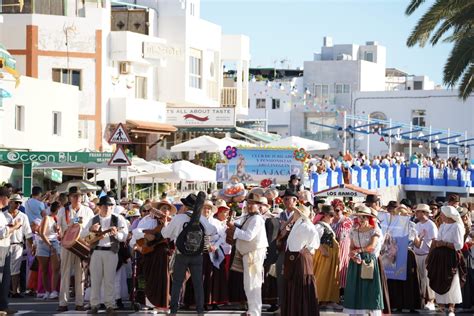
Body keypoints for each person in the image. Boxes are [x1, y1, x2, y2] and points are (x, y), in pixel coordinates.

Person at [161, 192, 217, 316]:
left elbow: (165, 234)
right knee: (198, 284)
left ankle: (174, 311)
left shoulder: (178, 218)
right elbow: (213, 231)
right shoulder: (201, 219)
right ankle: (200, 311)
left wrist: (165, 225)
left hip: (181, 254)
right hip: (197, 254)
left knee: (177, 283)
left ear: (185, 206)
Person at [81, 196, 128, 314]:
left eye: (110, 206)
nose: (108, 208)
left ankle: (110, 305)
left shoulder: (118, 219)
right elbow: (83, 236)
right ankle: (94, 305)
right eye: (105, 205)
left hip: (111, 251)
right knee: (95, 280)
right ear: (99, 207)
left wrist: (116, 234)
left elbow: (124, 236)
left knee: (110, 280)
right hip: (96, 251)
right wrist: (91, 229)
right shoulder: (93, 219)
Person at [227, 195, 268, 316]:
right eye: (248, 203)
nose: (249, 206)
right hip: (250, 253)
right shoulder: (251, 218)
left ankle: (254, 312)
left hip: (253, 254)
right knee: (249, 283)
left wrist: (234, 228)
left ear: (259, 205)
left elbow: (248, 236)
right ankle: (252, 310)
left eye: (253, 203)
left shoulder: (256, 219)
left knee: (253, 283)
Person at [56, 187, 95, 312]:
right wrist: (56, 228)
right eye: (74, 196)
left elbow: (92, 227)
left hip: (81, 244)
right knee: (65, 273)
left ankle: (79, 302)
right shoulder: (63, 210)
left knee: (80, 274)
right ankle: (63, 303)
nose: (77, 198)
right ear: (69, 197)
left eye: (79, 196)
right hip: (67, 244)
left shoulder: (88, 210)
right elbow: (57, 226)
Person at [343, 204, 384, 316]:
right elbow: (351, 246)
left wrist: (358, 251)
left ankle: (370, 311)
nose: (361, 219)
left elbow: (371, 246)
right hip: (356, 262)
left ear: (369, 218)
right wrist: (352, 254)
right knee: (355, 287)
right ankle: (357, 312)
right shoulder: (354, 230)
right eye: (359, 217)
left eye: (364, 217)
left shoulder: (374, 230)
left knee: (369, 287)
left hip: (368, 261)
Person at [281, 204, 320, 316]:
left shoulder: (305, 225)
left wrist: (308, 248)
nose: (293, 214)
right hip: (294, 257)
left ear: (300, 214)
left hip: (299, 258)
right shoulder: (299, 225)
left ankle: (302, 311)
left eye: (296, 212)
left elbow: (315, 239)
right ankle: (296, 311)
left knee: (300, 283)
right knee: (294, 283)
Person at [427, 206, 465, 316]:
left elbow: (459, 245)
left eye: (442, 214)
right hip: (439, 257)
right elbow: (438, 239)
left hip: (451, 257)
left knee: (451, 280)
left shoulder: (457, 226)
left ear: (448, 215)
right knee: (439, 279)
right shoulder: (443, 226)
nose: (441, 216)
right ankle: (442, 308)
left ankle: (451, 308)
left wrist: (444, 244)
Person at [4, 194, 33, 298]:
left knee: (16, 270)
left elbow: (28, 233)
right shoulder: (3, 215)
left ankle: (14, 291)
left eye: (20, 202)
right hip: (4, 245)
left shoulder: (23, 216)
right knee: (5, 269)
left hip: (18, 245)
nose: (18, 204)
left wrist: (32, 246)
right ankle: (6, 290)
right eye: (16, 202)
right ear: (10, 202)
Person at [313, 205, 340, 308]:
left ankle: (328, 300)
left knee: (330, 278)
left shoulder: (326, 225)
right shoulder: (319, 226)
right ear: (325, 215)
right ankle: (320, 299)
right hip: (324, 257)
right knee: (322, 277)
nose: (333, 217)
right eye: (331, 215)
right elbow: (314, 240)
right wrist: (323, 250)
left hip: (330, 257)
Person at [276, 189, 298, 310]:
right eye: (284, 199)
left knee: (295, 278)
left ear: (295, 201)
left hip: (296, 251)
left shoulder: (301, 214)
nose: (284, 201)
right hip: (283, 250)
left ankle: (294, 304)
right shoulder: (280, 214)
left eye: (287, 199)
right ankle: (281, 304)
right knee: (281, 276)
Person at [0, 187, 21, 315]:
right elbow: (1, 233)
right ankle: (2, 306)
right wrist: (15, 227)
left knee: (5, 279)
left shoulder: (2, 214)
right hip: (1, 247)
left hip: (5, 247)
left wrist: (10, 227)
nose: (10, 201)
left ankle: (3, 306)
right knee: (1, 277)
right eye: (9, 198)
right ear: (3, 198)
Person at [413, 203, 438, 311]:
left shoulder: (431, 225)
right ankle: (423, 300)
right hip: (417, 254)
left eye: (418, 211)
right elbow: (416, 241)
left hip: (427, 254)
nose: (416, 213)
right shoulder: (417, 225)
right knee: (421, 279)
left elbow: (434, 241)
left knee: (428, 278)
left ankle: (431, 301)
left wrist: (431, 255)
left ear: (423, 213)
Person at [37, 201, 61, 300]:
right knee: (44, 269)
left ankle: (54, 290)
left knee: (56, 268)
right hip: (44, 244)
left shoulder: (58, 219)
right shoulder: (47, 218)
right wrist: (50, 245)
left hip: (54, 243)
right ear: (57, 210)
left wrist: (59, 231)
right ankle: (47, 291)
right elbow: (42, 233)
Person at [260, 196, 280, 312]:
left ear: (267, 207)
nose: (259, 207)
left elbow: (270, 238)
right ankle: (268, 301)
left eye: (261, 205)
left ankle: (273, 302)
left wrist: (266, 253)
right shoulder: (266, 219)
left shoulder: (270, 219)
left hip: (269, 252)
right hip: (267, 252)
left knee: (270, 278)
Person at [331, 199, 352, 292]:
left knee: (341, 268)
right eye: (334, 210)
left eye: (338, 210)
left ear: (342, 210)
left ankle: (342, 291)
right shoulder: (331, 220)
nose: (335, 212)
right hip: (332, 247)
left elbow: (343, 237)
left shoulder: (346, 221)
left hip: (343, 247)